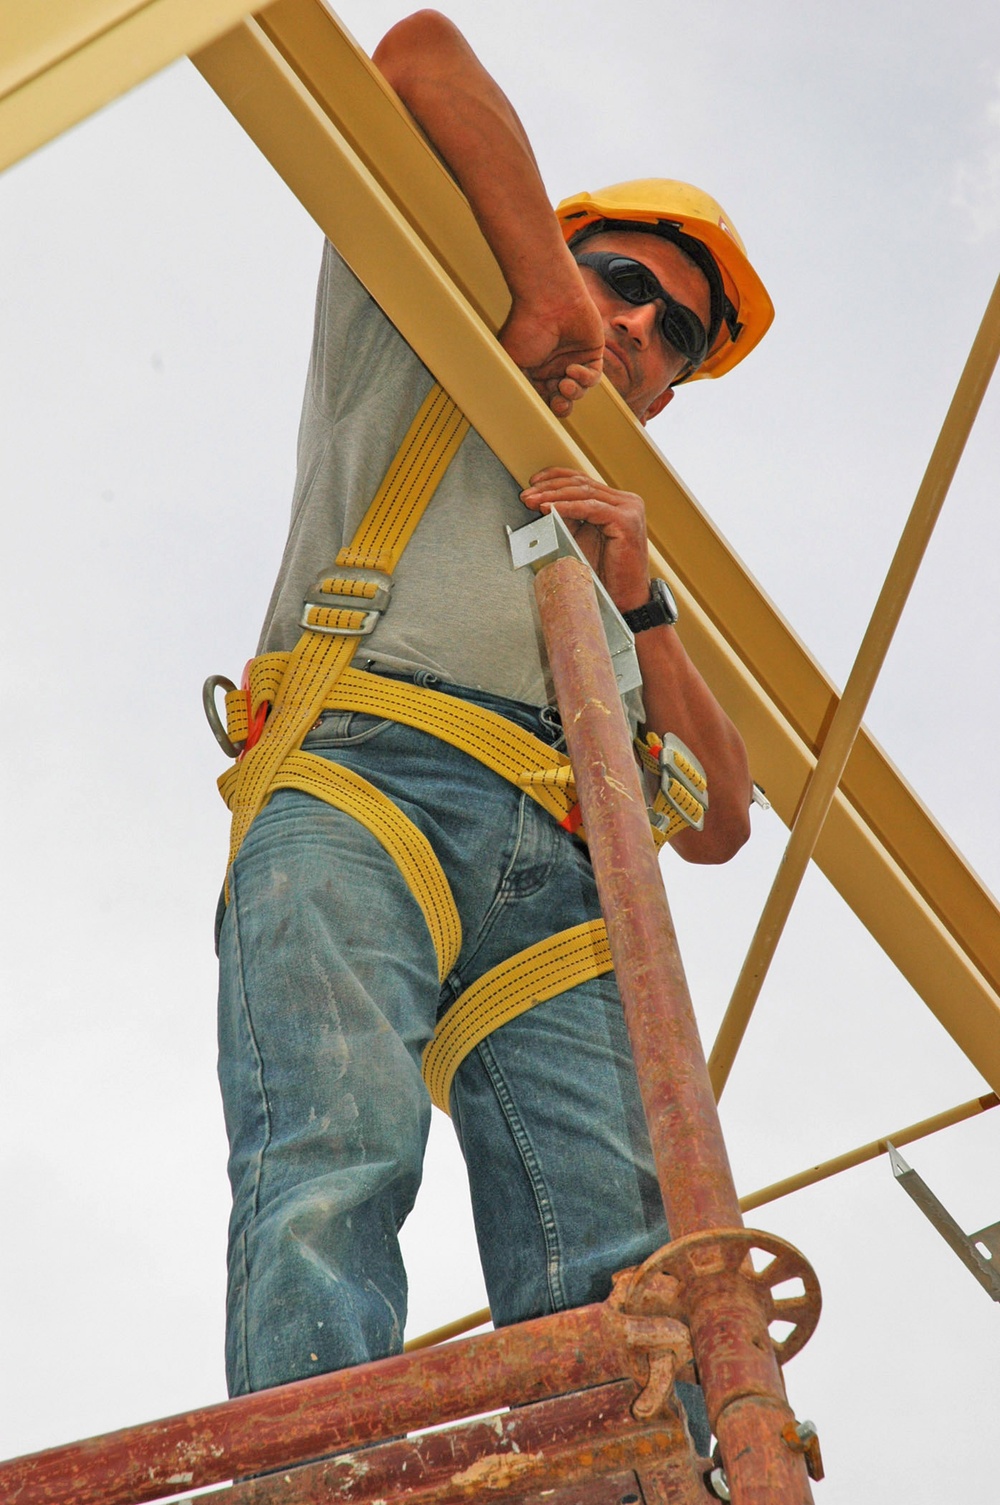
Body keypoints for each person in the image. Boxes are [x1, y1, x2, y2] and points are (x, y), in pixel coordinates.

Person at [215, 9, 773, 1455]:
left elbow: (720, 818)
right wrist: (533, 288)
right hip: (362, 784)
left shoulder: (615, 532)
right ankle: (324, 1480)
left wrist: (647, 610)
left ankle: (637, 1483)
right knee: (332, 1167)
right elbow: (420, 55)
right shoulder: (429, 300)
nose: (641, 330)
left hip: (557, 871)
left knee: (620, 1283)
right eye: (625, 285)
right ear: (568, 256)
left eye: (677, 334)